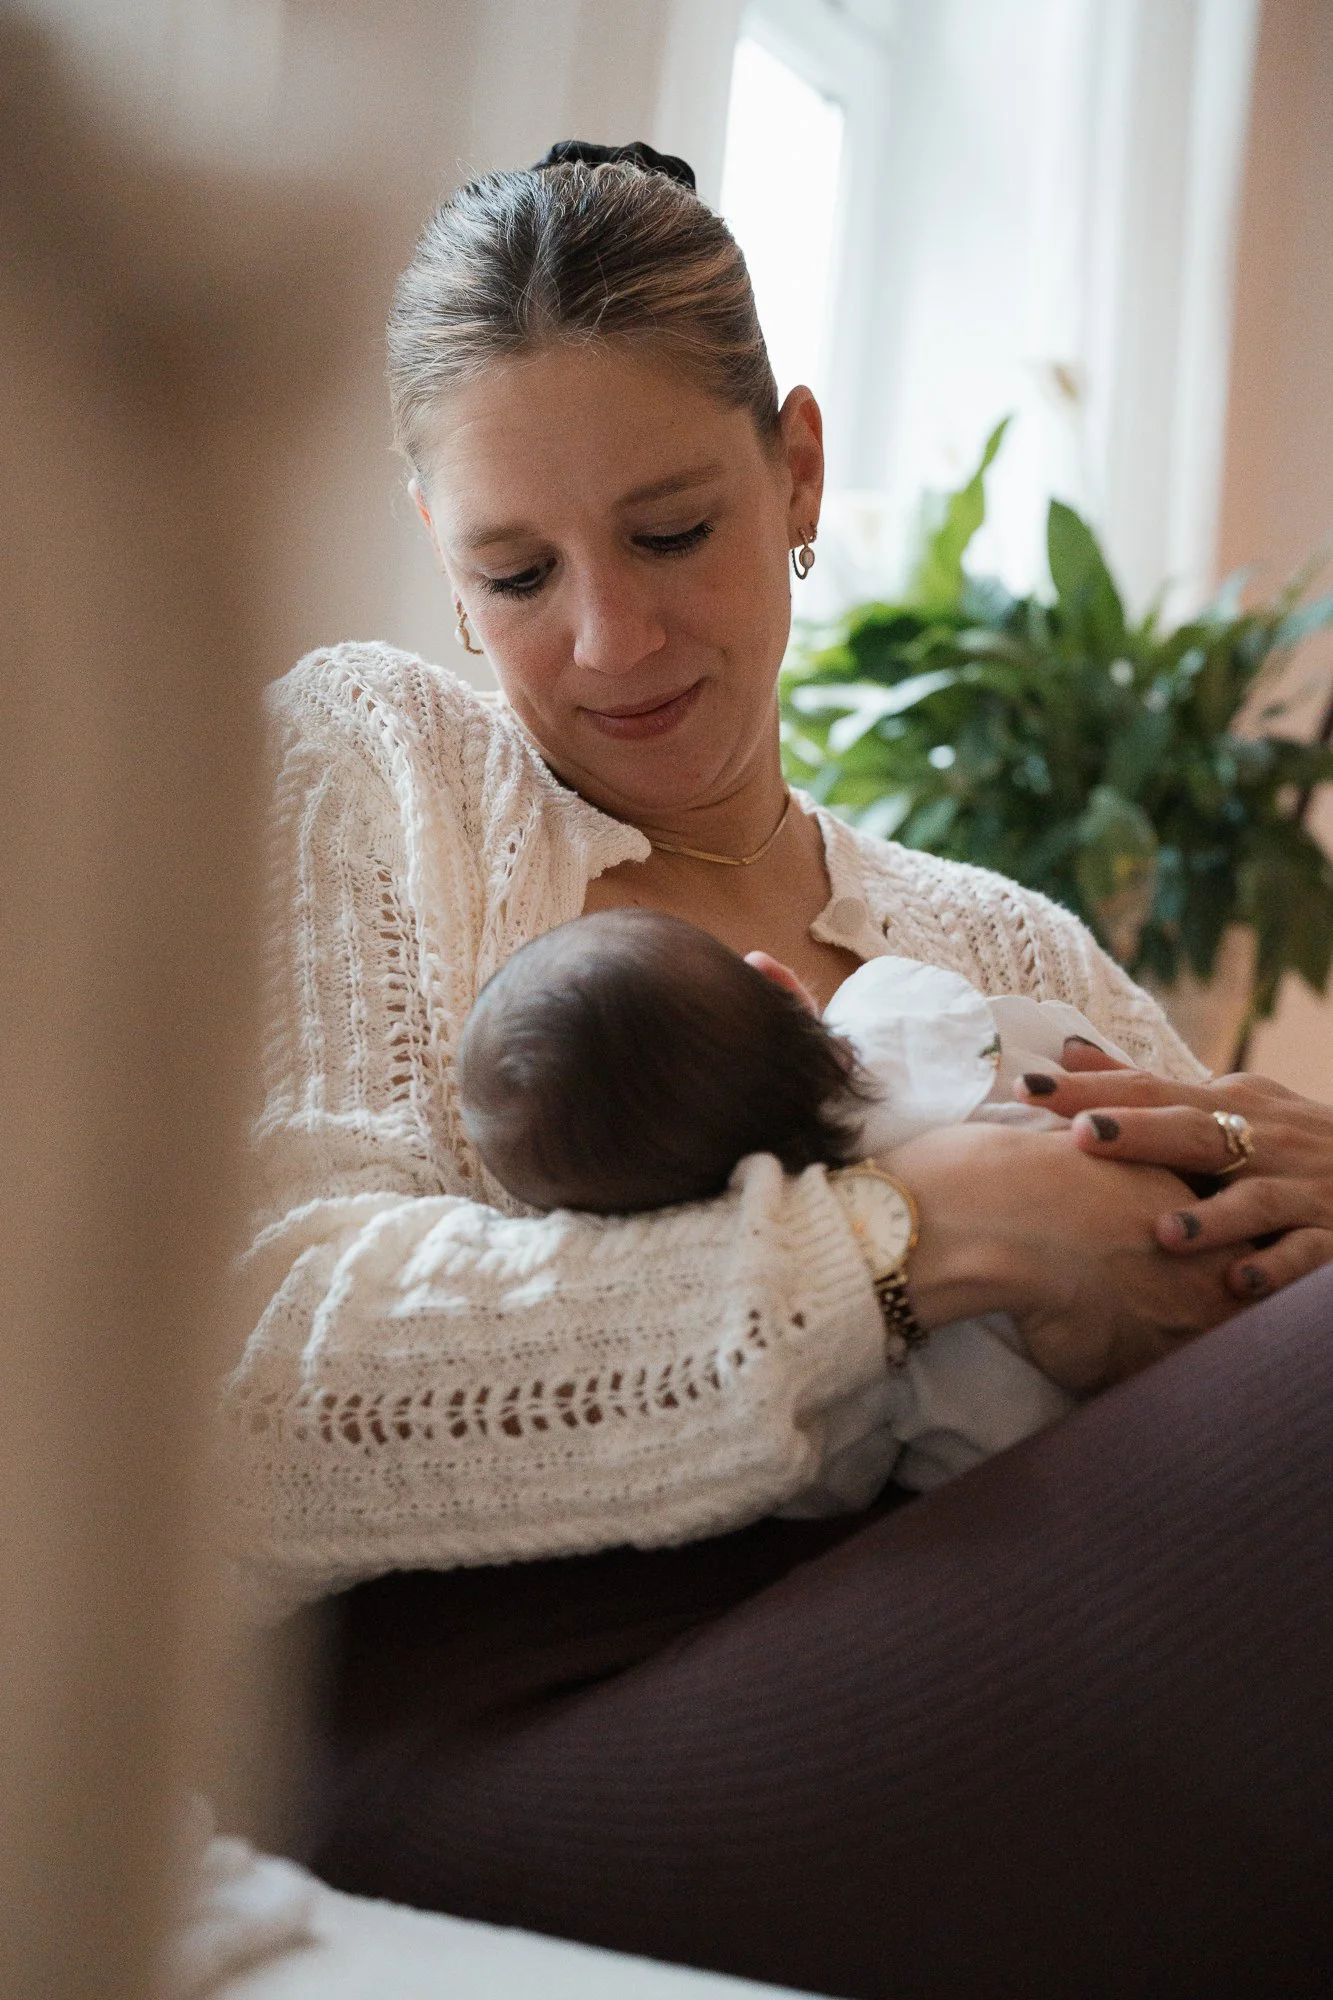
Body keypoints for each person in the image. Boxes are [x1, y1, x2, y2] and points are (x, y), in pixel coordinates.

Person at [225, 140, 1333, 1996]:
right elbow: (250, 1375)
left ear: (795, 468)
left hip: (960, 1624)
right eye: (512, 572)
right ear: (438, 553)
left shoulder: (999, 939)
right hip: (535, 1719)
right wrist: (908, 1240)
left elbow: (1188, 1353)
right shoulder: (380, 763)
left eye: (670, 532)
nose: (608, 639)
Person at [456, 906, 1135, 1506]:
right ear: (780, 982)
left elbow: (836, 1479)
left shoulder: (828, 1336)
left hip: (1095, 1470)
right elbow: (1113, 1067)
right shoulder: (918, 1014)